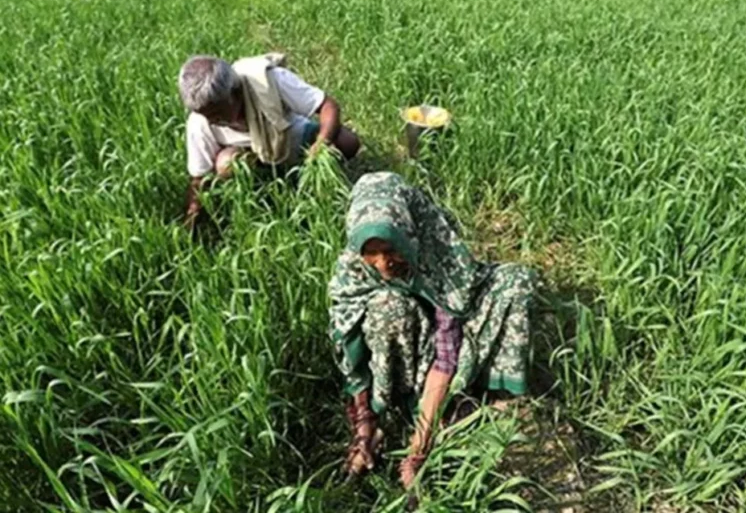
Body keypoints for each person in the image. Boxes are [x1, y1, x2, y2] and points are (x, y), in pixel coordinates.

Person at [328, 172, 537, 488]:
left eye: (390, 250)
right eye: (371, 254)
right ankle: (394, 397)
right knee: (387, 307)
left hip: (449, 338)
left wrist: (419, 446)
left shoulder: (438, 250)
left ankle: (469, 393)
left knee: (516, 283)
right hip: (408, 339)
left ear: (408, 235)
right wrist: (365, 425)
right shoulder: (353, 267)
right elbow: (348, 344)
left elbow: (446, 350)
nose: (383, 265)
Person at [177, 53, 361, 228]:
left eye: (218, 113)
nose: (212, 120)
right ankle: (262, 192)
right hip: (250, 158)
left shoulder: (268, 81)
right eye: (207, 116)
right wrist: (192, 216)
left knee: (347, 142)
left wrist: (320, 145)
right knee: (227, 164)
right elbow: (199, 179)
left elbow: (328, 105)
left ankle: (305, 177)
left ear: (235, 92)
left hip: (290, 138)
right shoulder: (199, 122)